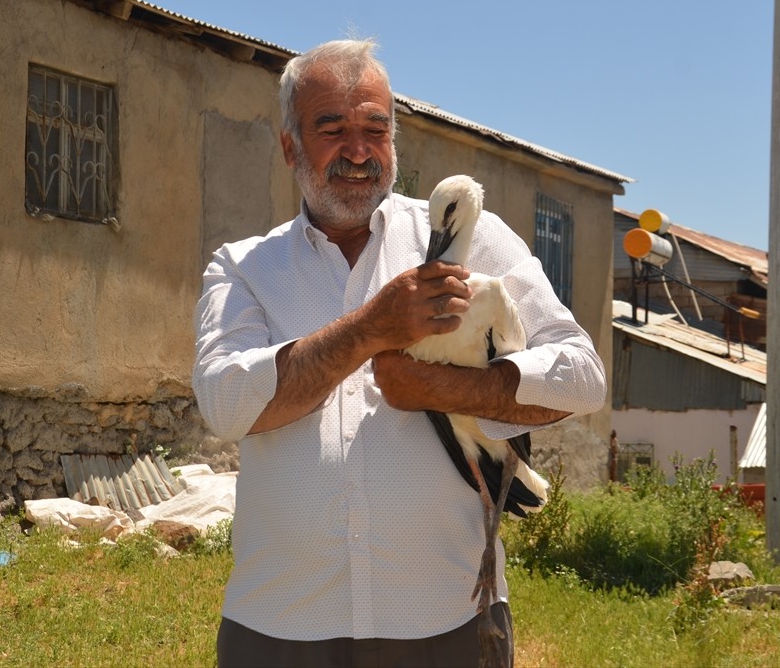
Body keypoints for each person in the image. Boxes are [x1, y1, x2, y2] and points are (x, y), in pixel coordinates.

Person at [193, 39, 607, 668]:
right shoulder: (244, 268)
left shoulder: (472, 237)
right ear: (289, 147)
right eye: (332, 128)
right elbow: (226, 404)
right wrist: (369, 328)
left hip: (449, 622)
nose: (358, 150)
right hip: (281, 627)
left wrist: (440, 389)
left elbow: (581, 376)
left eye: (375, 130)